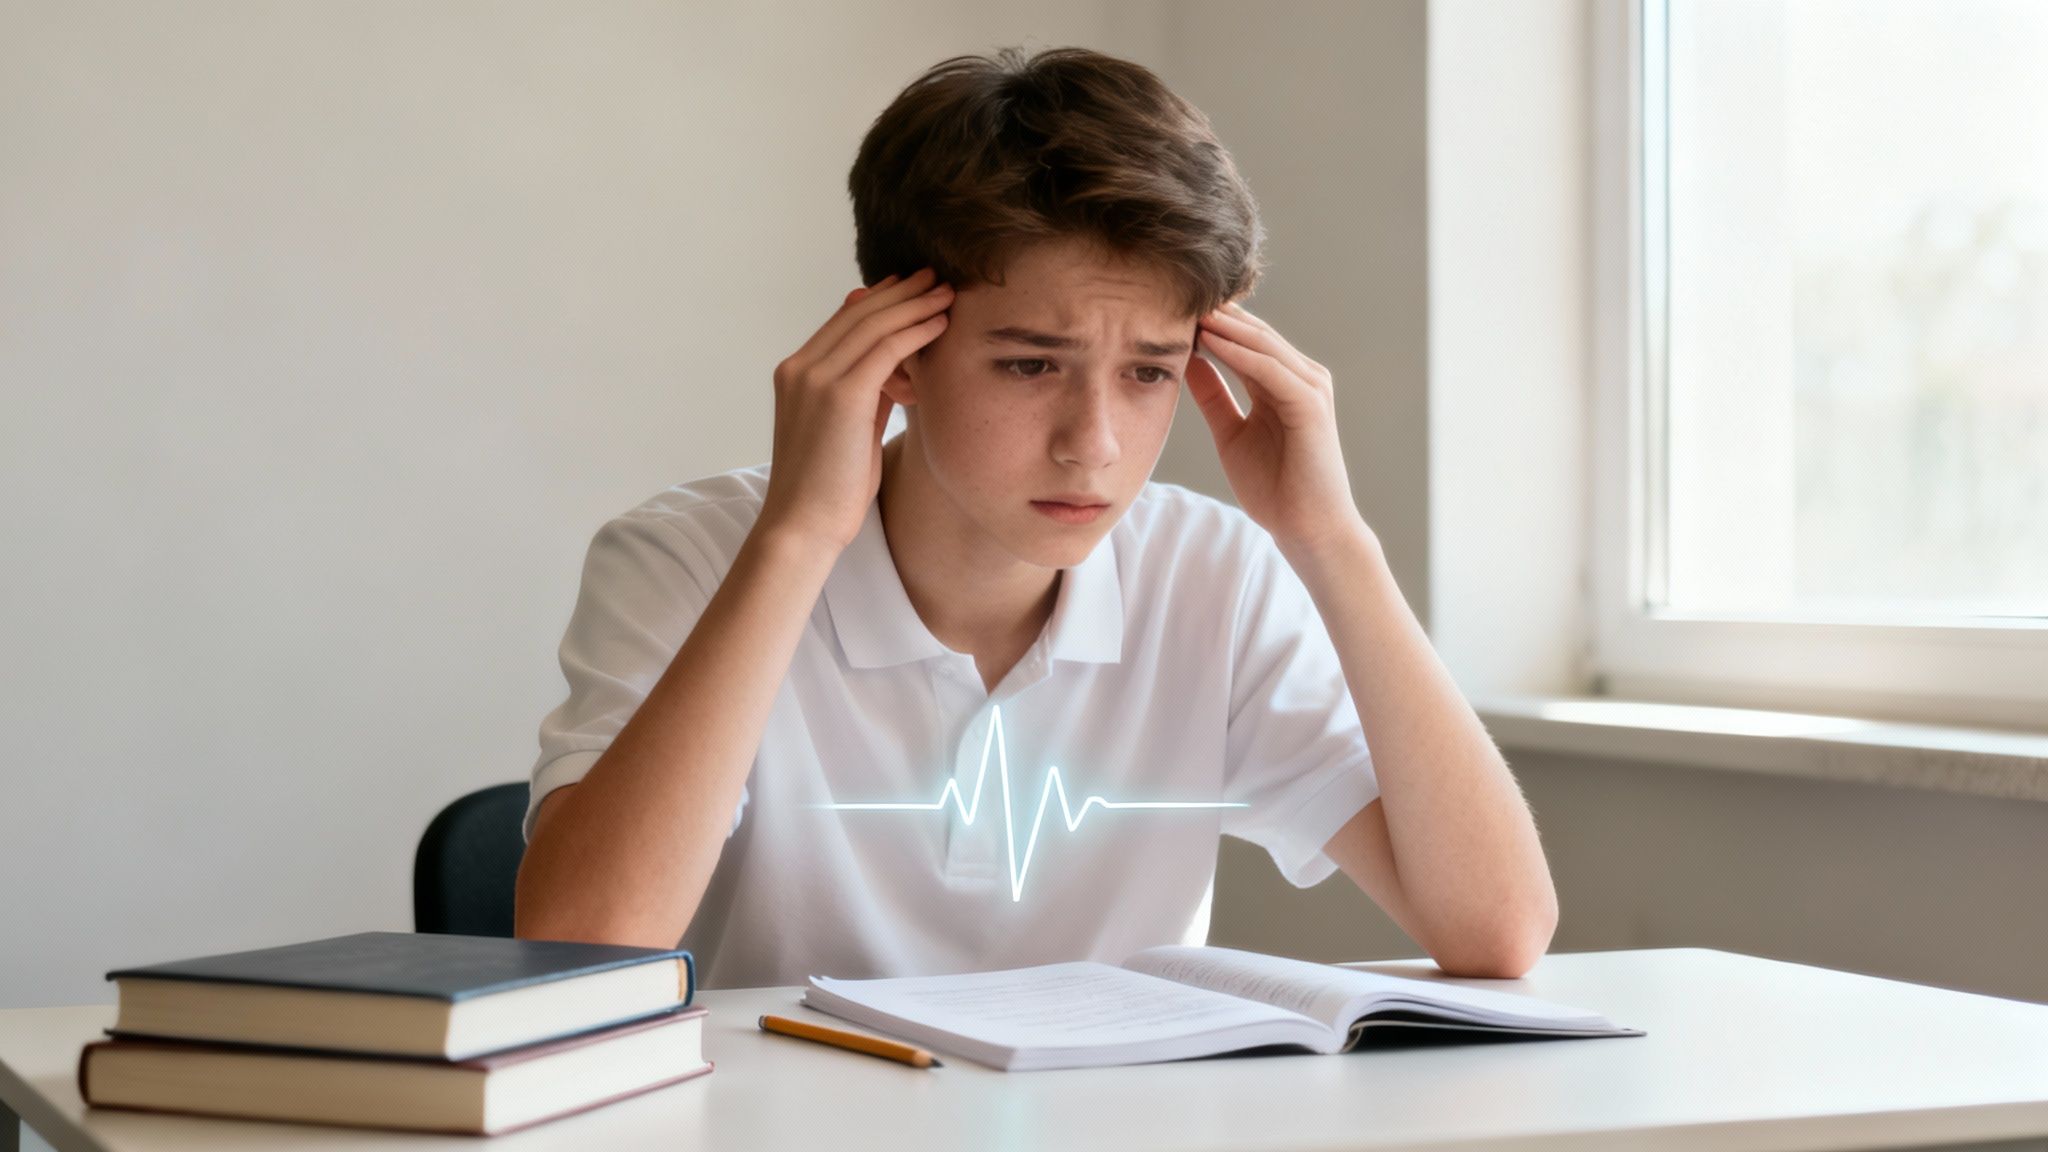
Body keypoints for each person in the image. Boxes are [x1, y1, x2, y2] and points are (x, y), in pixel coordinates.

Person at [513, 46, 1556, 989]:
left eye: (1148, 372)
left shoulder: (1213, 574)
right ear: (898, 348)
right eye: (1029, 364)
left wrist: (1333, 543)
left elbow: (1495, 931)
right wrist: (795, 541)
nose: (1092, 443)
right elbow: (582, 949)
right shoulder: (687, 557)